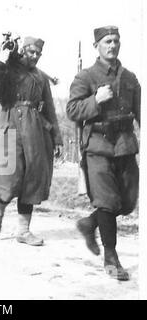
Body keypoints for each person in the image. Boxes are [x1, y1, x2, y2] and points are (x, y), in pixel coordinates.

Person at [66, 26, 140, 281]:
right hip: (97, 146)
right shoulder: (86, 77)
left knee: (127, 202)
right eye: (107, 41)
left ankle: (90, 223)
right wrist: (95, 100)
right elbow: (73, 110)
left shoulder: (130, 78)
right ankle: (111, 258)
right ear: (96, 45)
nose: (113, 45)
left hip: (125, 146)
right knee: (108, 202)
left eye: (116, 40)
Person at [0, 36, 63, 245]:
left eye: (38, 54)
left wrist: (57, 137)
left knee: (32, 178)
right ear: (22, 51)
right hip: (10, 126)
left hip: (35, 130)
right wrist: (0, 60)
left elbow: (50, 108)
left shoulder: (40, 77)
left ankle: (24, 231)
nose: (35, 57)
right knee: (9, 176)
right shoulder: (8, 68)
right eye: (31, 52)